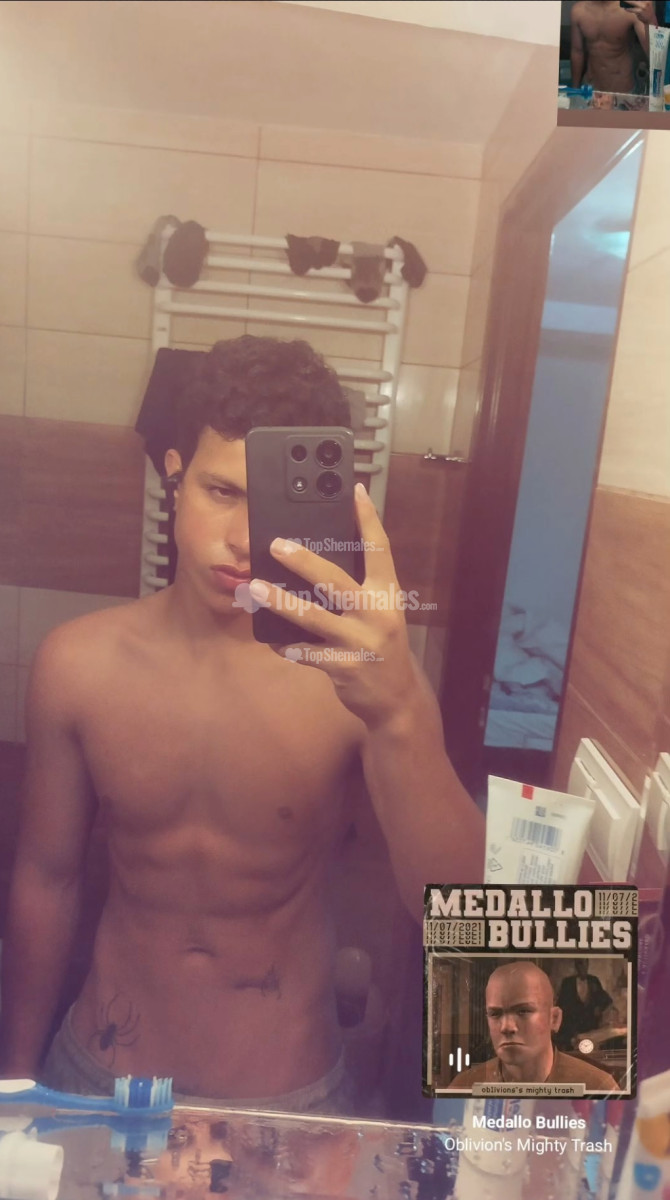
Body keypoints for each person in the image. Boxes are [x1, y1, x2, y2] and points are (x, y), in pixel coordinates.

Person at [0, 335, 484, 1115]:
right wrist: (16, 1081)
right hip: (97, 1077)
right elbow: (45, 879)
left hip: (285, 1100)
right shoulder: (78, 664)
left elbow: (457, 915)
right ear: (174, 476)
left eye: (271, 506)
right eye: (221, 491)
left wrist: (400, 713)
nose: (243, 540)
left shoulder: (356, 678)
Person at [448, 962, 619, 1090]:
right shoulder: (463, 1086)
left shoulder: (598, 1086)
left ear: (554, 1019)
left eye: (523, 1011)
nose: (506, 1027)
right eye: (495, 1014)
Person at [570, 0, 657, 94]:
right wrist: (575, 89)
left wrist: (650, 20)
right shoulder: (578, 11)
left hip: (622, 90)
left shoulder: (631, 9)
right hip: (590, 88)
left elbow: (654, 54)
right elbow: (577, 52)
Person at [556, 959, 613, 1050]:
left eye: (585, 965)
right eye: (581, 965)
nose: (583, 968)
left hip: (591, 1025)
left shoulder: (594, 980)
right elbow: (561, 1004)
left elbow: (606, 1000)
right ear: (576, 966)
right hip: (573, 1027)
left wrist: (599, 1008)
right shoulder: (567, 982)